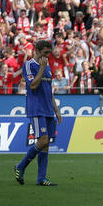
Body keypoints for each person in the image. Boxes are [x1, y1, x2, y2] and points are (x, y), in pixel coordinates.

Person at [14, 40, 62, 186]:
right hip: (36, 108)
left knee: (46, 144)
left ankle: (41, 178)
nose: (47, 56)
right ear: (37, 51)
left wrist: (57, 110)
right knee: (42, 140)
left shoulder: (47, 67)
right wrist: (41, 68)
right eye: (45, 53)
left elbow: (49, 91)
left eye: (49, 53)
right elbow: (33, 85)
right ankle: (20, 166)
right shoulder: (29, 65)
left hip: (48, 109)